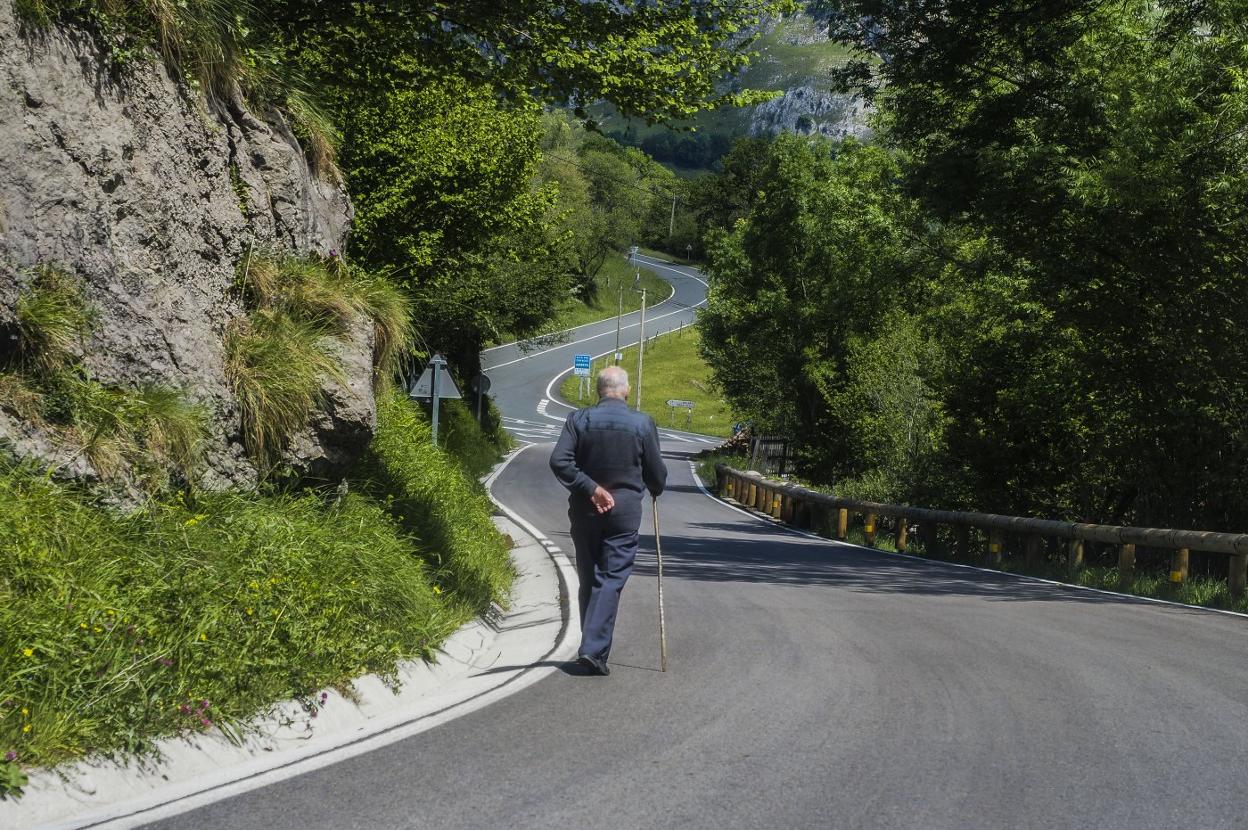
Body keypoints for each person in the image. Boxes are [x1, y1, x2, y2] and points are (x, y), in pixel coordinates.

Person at [549, 365, 667, 676]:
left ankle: (593, 650)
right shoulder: (642, 423)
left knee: (589, 579)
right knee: (610, 579)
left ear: (598, 390)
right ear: (625, 390)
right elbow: (657, 474)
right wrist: (655, 486)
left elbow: (559, 461)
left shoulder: (579, 419)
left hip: (586, 511)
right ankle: (592, 650)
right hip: (623, 515)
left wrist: (591, 488)